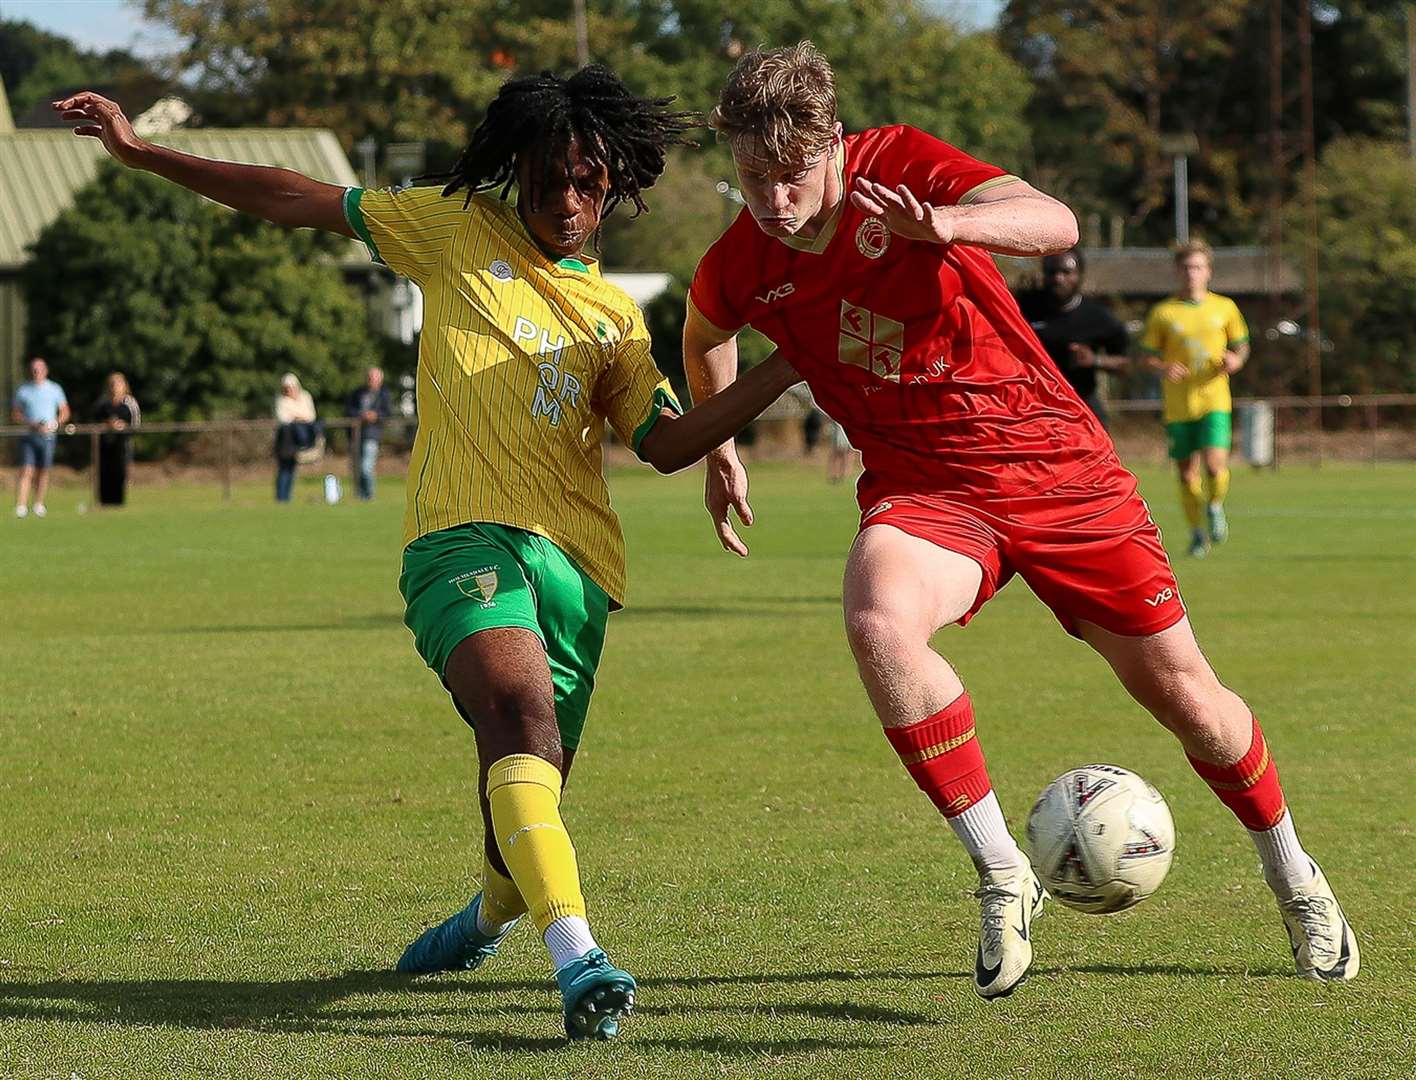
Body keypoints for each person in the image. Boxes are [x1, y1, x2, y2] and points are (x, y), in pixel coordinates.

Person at [58, 69, 797, 1041]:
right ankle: (579, 959)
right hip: (459, 537)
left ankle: (491, 911)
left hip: (576, 572)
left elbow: (662, 441)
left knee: (529, 775)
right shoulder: (452, 229)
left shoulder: (614, 318)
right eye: (545, 180)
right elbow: (294, 198)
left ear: (611, 181)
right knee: (517, 711)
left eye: (586, 182)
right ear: (513, 173)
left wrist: (786, 371)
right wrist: (142, 152)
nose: (565, 202)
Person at [683, 42, 1356, 1001]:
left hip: (1059, 472)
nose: (773, 200)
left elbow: (1052, 218)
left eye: (792, 175)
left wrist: (948, 225)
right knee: (877, 618)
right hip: (925, 487)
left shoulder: (901, 164)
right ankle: (1003, 870)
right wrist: (721, 452)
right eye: (753, 178)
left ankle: (1293, 873)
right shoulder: (744, 258)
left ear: (834, 145)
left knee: (1186, 698)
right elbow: (704, 333)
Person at [1140, 241, 1249, 558]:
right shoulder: (1164, 312)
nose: (1192, 273)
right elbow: (1147, 356)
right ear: (1178, 271)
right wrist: (1163, 367)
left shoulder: (1224, 307)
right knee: (1187, 475)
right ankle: (1197, 533)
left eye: (1198, 267)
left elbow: (1241, 346)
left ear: (1208, 272)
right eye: (1187, 267)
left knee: (1215, 467)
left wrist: (1236, 361)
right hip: (1178, 405)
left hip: (1215, 400)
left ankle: (1214, 505)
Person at [1014, 248, 1130, 429]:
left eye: (1066, 272)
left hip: (1080, 404)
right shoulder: (1024, 307)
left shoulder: (1098, 316)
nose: (1058, 278)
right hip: (1032, 405)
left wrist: (1095, 360)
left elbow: (1126, 364)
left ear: (1079, 275)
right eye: (1052, 272)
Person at [11, 357, 70, 518]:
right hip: (29, 435)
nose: (37, 372)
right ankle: (21, 506)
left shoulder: (55, 389)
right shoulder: (23, 390)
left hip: (48, 436)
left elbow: (65, 412)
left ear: (46, 370)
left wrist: (55, 423)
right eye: (34, 369)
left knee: (43, 471)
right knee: (26, 470)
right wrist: (31, 423)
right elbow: (15, 414)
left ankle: (38, 504)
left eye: (40, 369)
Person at [93, 371, 141, 507]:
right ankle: (104, 502)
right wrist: (106, 425)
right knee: (104, 473)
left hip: (122, 445)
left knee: (119, 473)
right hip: (104, 445)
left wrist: (123, 427)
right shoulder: (102, 403)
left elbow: (136, 424)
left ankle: (118, 502)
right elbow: (94, 422)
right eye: (112, 384)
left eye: (118, 383)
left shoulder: (129, 403)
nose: (114, 387)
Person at [344, 366, 392, 500]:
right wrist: (361, 415)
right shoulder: (357, 393)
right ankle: (360, 495)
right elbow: (348, 410)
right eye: (370, 378)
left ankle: (369, 495)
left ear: (380, 380)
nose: (371, 380)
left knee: (366, 467)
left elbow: (388, 413)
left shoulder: (384, 394)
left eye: (374, 378)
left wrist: (376, 416)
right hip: (356, 435)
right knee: (357, 467)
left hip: (372, 434)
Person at [273, 372, 320, 503]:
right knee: (284, 469)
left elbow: (310, 416)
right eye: (286, 387)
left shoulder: (305, 396)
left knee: (292, 469)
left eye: (291, 387)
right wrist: (299, 417)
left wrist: (295, 416)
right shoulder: (281, 400)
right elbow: (283, 418)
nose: (289, 390)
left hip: (299, 440)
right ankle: (281, 498)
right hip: (285, 441)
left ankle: (287, 498)